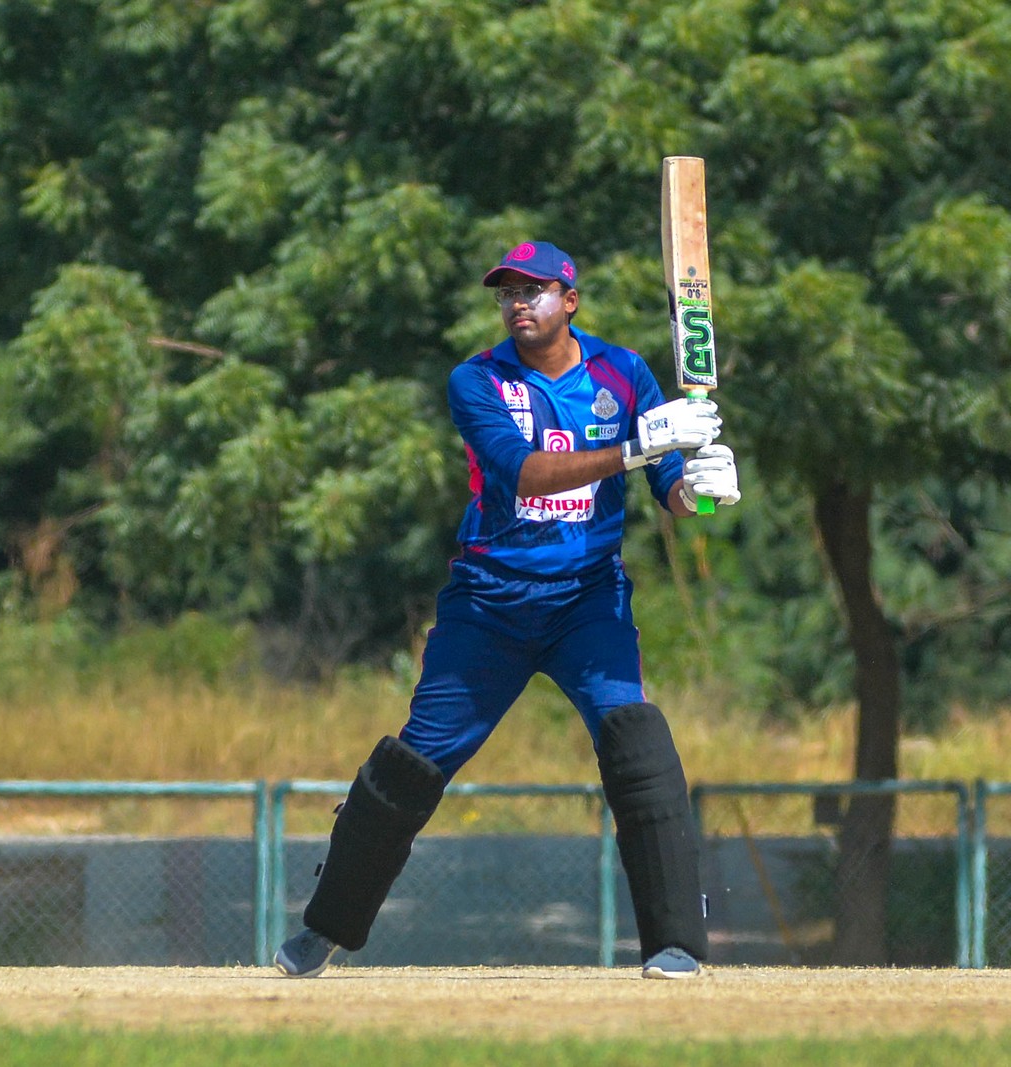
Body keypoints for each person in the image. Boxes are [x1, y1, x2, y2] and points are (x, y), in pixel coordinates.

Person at [274, 241, 740, 981]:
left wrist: (702, 489)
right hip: (489, 602)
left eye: (534, 290)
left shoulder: (624, 373)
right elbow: (523, 475)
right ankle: (322, 928)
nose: (519, 303)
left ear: (570, 300)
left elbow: (673, 491)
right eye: (507, 293)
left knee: (637, 737)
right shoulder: (477, 379)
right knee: (415, 760)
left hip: (588, 600)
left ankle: (674, 942)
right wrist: (637, 447)